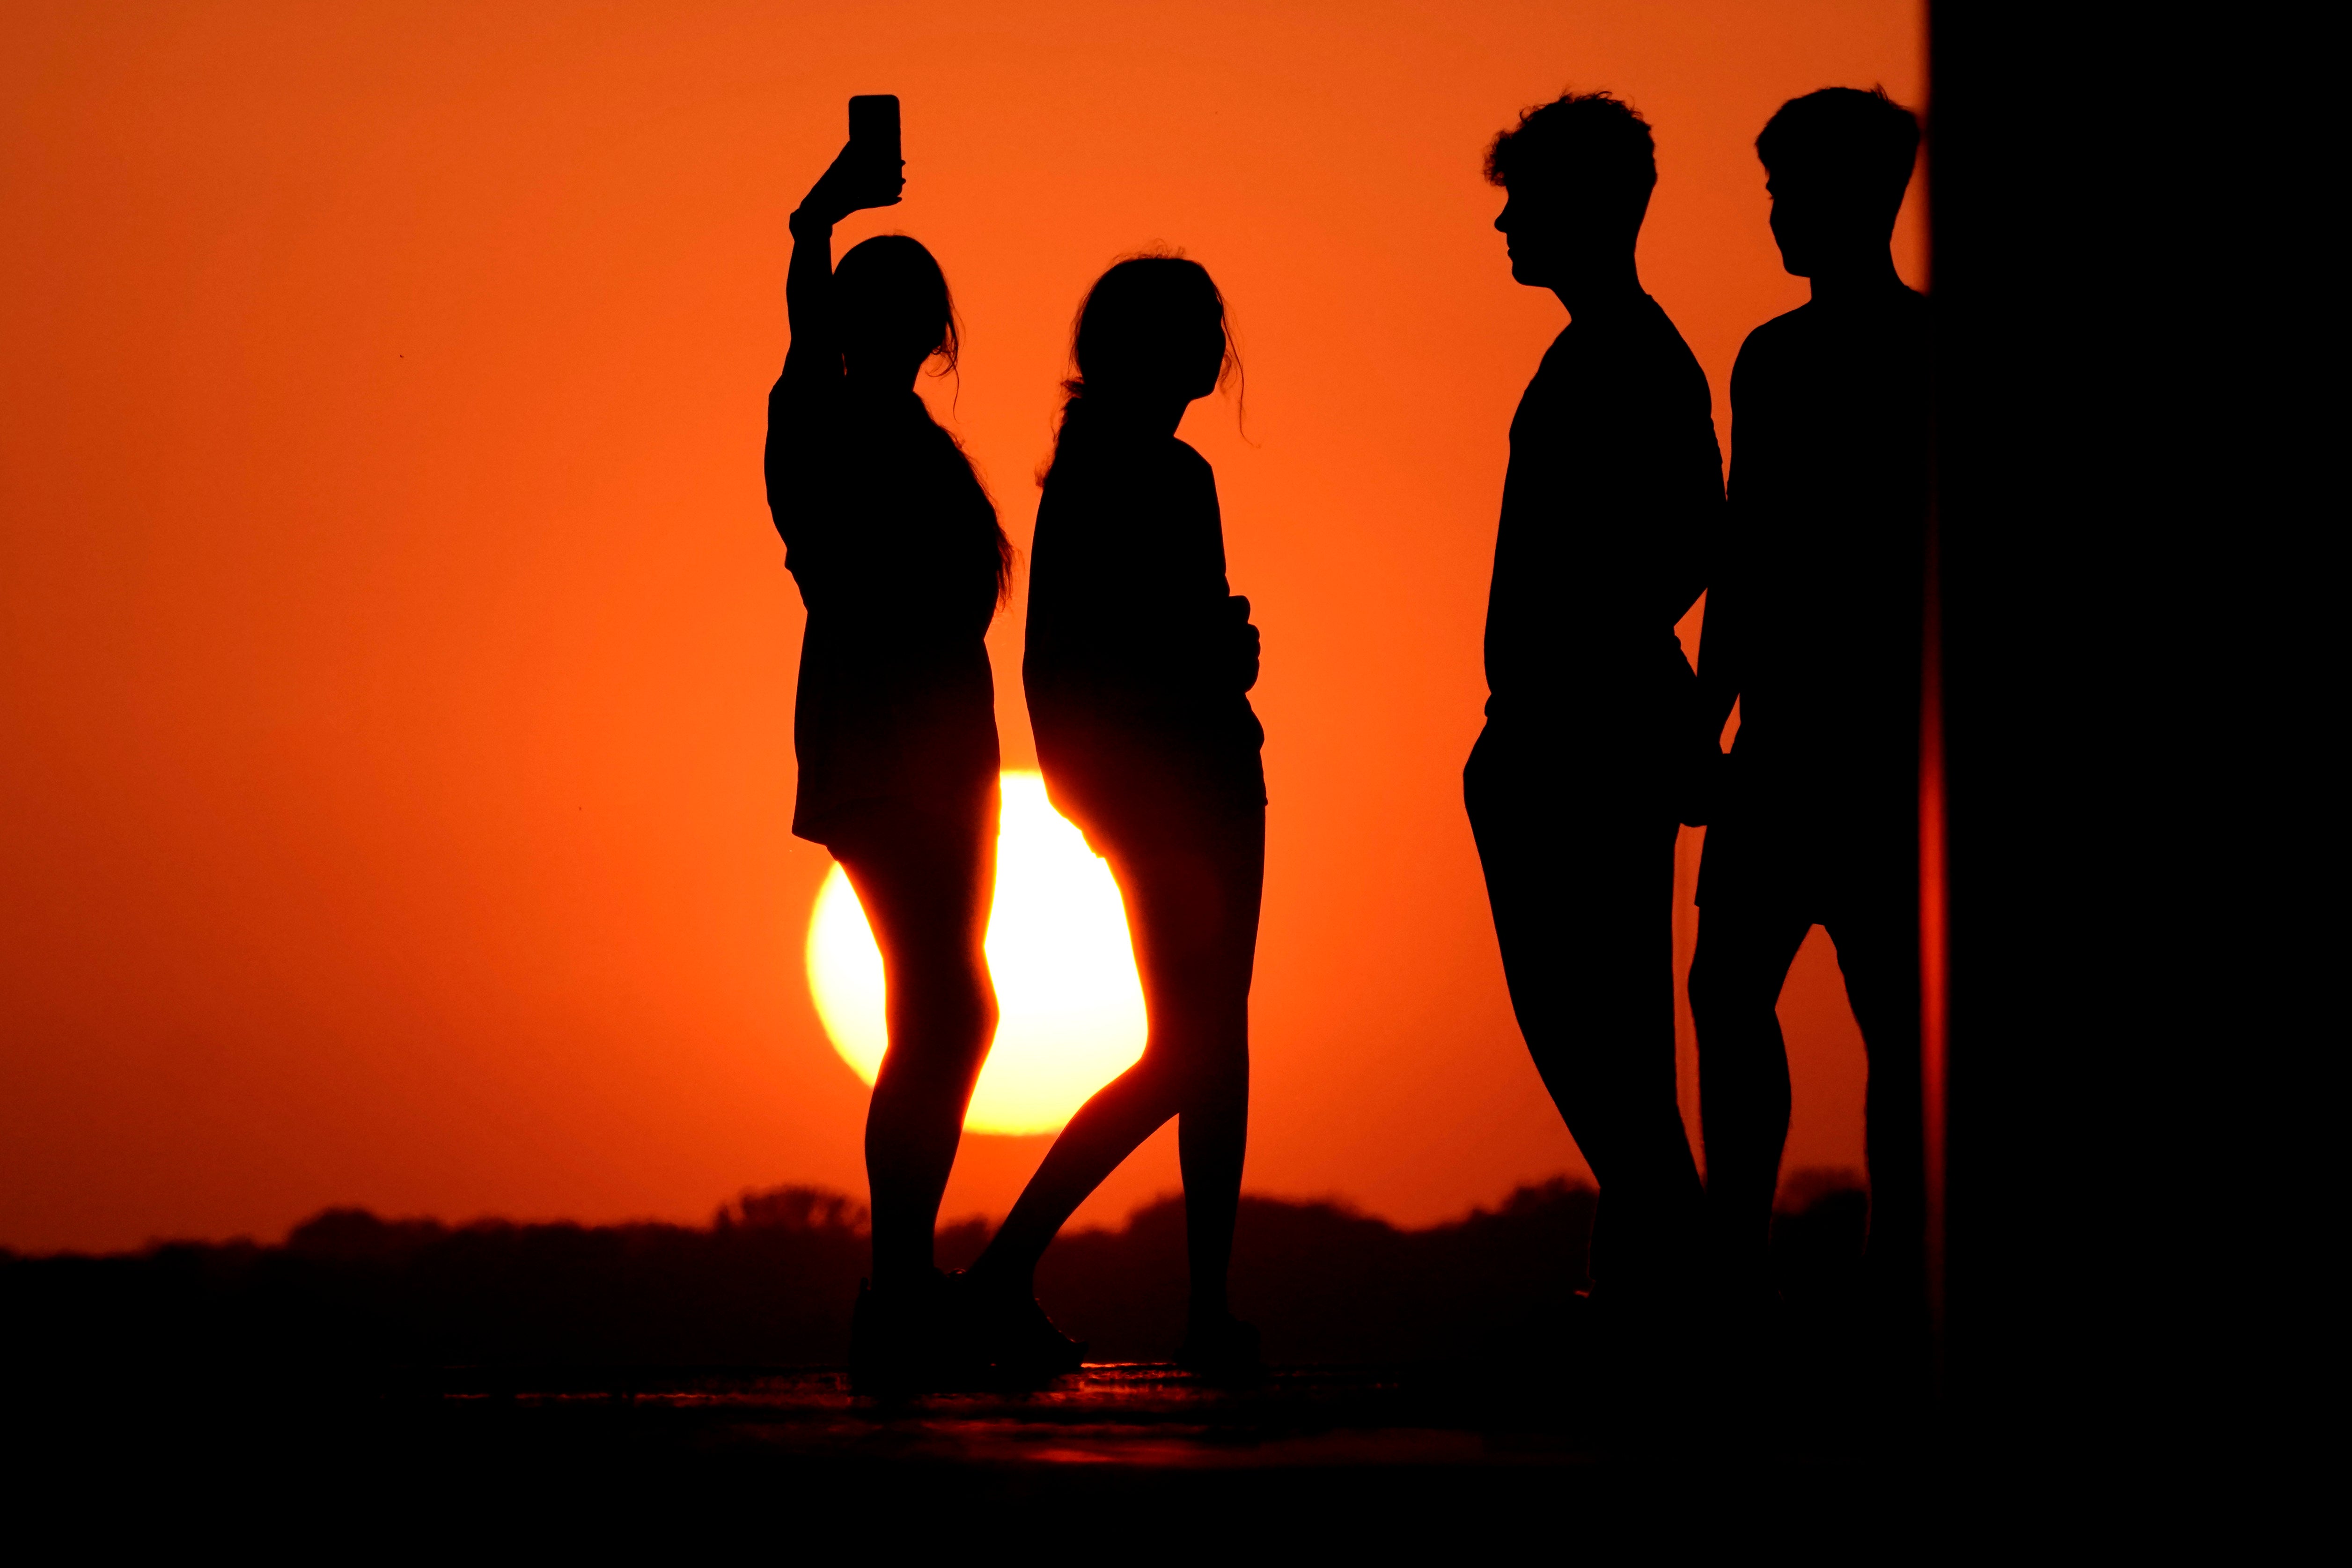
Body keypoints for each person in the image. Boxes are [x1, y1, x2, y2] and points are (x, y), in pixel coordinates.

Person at [963, 255, 1267, 1377]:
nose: (1212, 348)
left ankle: (1204, 1307)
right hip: (1183, 785)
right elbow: (1096, 657)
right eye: (1197, 328)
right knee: (1195, 1049)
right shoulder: (1152, 477)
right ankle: (1007, 1270)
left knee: (1212, 1046)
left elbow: (1064, 662)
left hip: (1177, 778)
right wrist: (1216, 662)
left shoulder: (1101, 471)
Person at [1463, 92, 1724, 1321]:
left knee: (1587, 1022)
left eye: (1523, 199)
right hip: (1578, 722)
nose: (1506, 221)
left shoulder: (1626, 356)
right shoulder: (1614, 350)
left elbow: (1689, 540)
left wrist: (1581, 656)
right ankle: (1651, 1284)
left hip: (1580, 731)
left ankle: (1684, 1271)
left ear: (1581, 207)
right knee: (1613, 1024)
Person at [764, 134, 1014, 1390]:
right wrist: (820, 214)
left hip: (942, 756)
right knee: (945, 1005)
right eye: (887, 304)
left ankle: (905, 1282)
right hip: (883, 754)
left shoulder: (899, 427)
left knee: (954, 1006)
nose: (910, 324)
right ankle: (900, 1287)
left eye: (920, 306)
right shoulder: (818, 418)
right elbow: (809, 328)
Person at [1687, 87, 1929, 1358]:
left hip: (1867, 749)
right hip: (1795, 743)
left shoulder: (1900, 357)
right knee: (1735, 987)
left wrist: (1715, 710)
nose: (1774, 208)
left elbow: (1763, 553)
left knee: (1891, 1015)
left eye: (1787, 188)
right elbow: (1748, 547)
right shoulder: (1770, 357)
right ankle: (1749, 1256)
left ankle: (1886, 1265)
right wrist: (1712, 712)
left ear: (1857, 197)